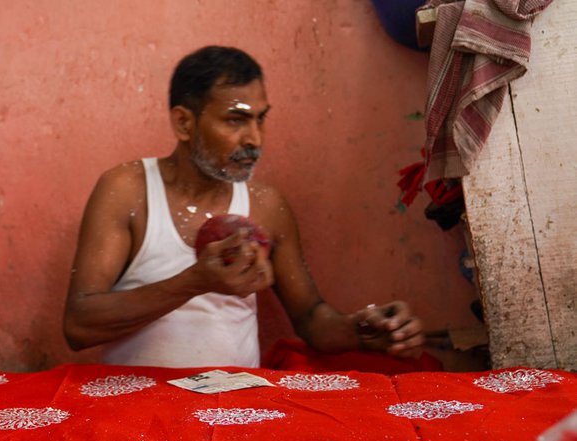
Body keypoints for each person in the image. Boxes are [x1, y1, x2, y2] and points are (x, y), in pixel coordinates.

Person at [62, 45, 425, 368]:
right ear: (184, 123)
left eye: (260, 118)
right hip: (136, 412)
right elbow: (79, 326)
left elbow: (312, 318)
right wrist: (195, 282)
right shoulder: (127, 190)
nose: (254, 139)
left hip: (235, 412)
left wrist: (364, 330)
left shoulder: (267, 206)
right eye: (235, 120)